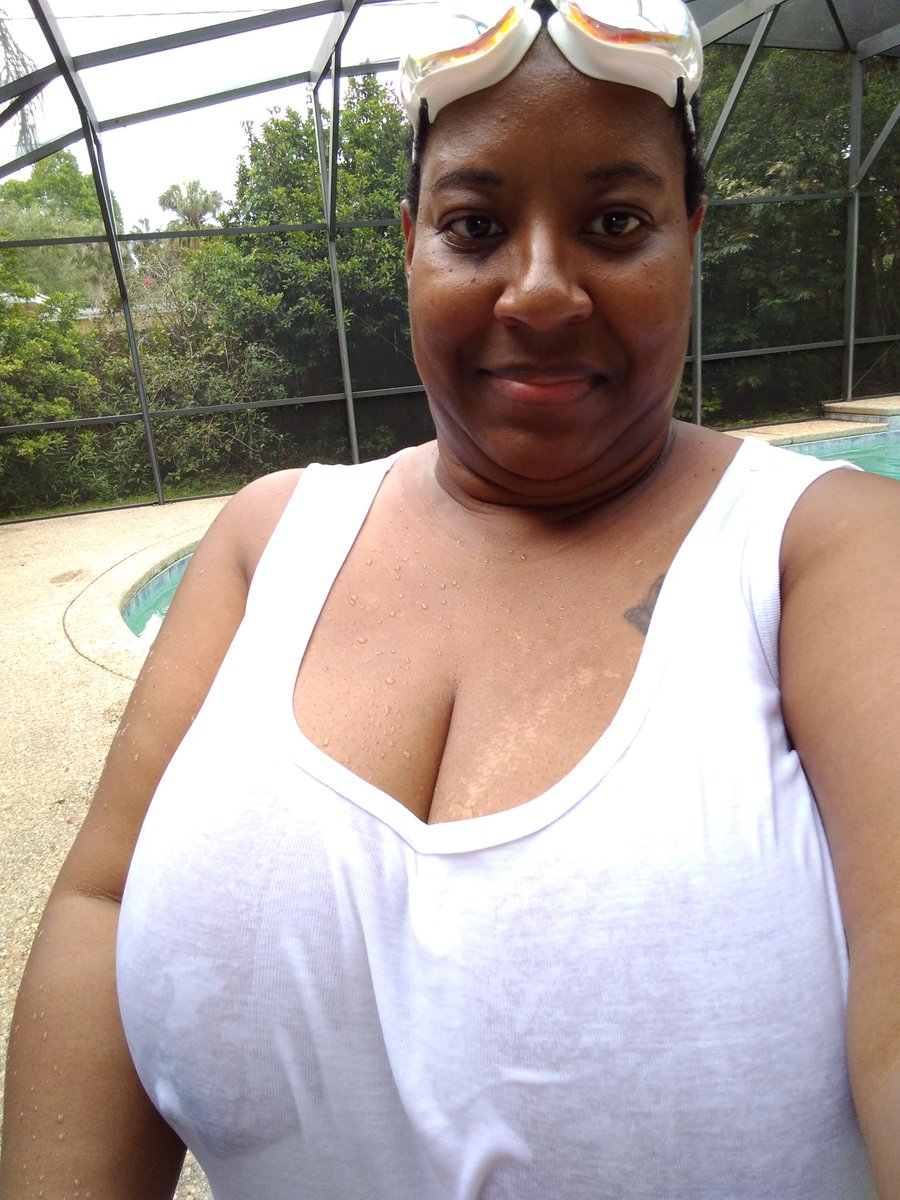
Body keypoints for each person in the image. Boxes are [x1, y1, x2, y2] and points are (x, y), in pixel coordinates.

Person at [2, 0, 899, 1195]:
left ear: (690, 233)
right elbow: (101, 902)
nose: (540, 292)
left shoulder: (832, 558)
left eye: (615, 223)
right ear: (410, 242)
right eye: (475, 226)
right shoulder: (270, 542)